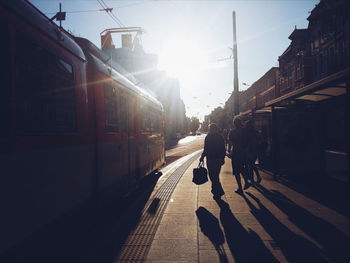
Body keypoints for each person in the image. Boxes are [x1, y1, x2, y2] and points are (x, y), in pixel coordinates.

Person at [199, 123, 226, 199]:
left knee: (212, 175)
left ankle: (217, 190)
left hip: (210, 159)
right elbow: (223, 148)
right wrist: (223, 158)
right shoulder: (220, 137)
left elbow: (206, 148)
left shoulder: (208, 137)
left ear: (210, 129)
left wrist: (202, 157)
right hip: (218, 159)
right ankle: (216, 190)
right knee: (216, 175)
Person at [227, 117, 250, 194]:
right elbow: (248, 141)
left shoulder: (232, 132)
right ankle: (246, 181)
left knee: (236, 171)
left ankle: (240, 187)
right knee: (242, 167)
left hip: (236, 152)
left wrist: (229, 151)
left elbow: (230, 143)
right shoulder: (245, 131)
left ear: (234, 124)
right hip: (243, 152)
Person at [245, 119, 262, 184]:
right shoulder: (255, 132)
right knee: (251, 164)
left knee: (251, 164)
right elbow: (259, 140)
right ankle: (253, 178)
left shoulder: (249, 133)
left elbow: (249, 142)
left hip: (250, 150)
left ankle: (255, 177)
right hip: (255, 150)